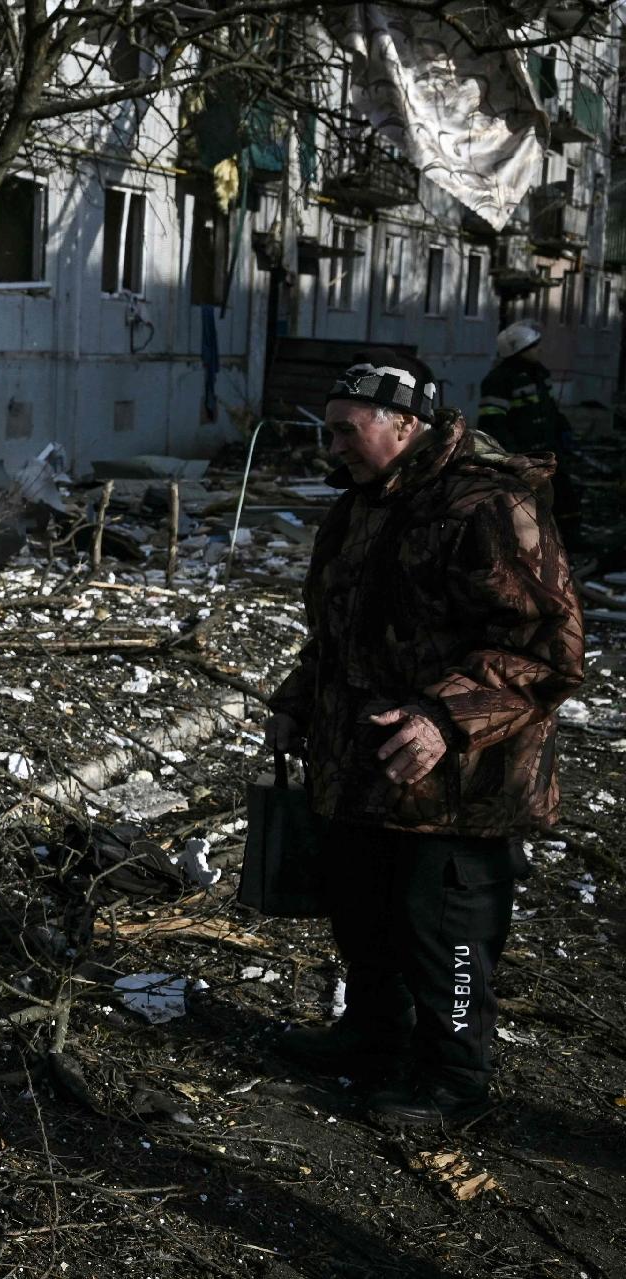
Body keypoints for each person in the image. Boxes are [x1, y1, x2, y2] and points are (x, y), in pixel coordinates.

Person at [265, 350, 583, 1125]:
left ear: (405, 424)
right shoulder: (363, 504)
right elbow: (337, 633)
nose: (331, 444)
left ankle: (453, 1080)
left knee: (444, 935)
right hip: (365, 768)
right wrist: (297, 703)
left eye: (347, 429)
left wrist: (443, 718)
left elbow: (548, 648)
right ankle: (375, 1038)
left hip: (461, 785)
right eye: (329, 428)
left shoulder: (486, 505)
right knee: (362, 911)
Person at [478, 319, 581, 547]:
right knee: (525, 504)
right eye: (534, 346)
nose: (539, 350)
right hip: (524, 454)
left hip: (548, 449)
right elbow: (492, 421)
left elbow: (549, 409)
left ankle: (570, 541)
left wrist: (564, 429)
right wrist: (511, 454)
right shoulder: (499, 380)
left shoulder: (539, 375)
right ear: (520, 349)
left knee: (564, 495)